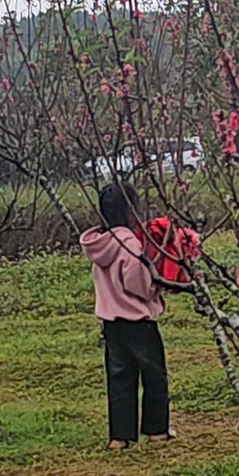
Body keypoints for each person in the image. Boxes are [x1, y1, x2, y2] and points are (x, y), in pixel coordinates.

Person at [80, 183, 172, 448]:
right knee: (154, 376)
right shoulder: (129, 242)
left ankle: (119, 437)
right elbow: (137, 283)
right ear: (129, 210)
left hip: (111, 322)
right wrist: (157, 286)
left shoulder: (100, 243)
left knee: (119, 378)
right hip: (138, 322)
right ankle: (157, 431)